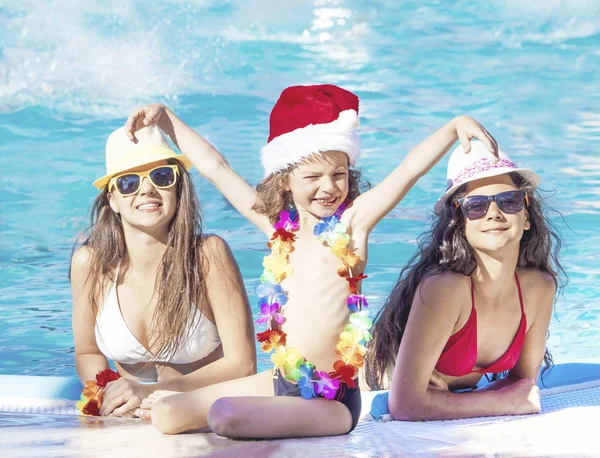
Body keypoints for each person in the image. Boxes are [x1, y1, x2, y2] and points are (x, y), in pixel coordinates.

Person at [127, 84, 498, 437]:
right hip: (283, 380)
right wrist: (165, 118)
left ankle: (257, 417)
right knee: (167, 414)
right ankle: (247, 414)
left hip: (332, 400)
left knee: (225, 415)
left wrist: (452, 128)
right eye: (312, 177)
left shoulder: (353, 224)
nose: (329, 187)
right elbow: (217, 168)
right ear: (285, 180)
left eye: (338, 174)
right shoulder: (277, 228)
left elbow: (406, 171)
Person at [365, 141, 564, 421]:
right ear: (459, 222)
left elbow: (522, 387)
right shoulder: (446, 289)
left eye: (509, 201)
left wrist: (449, 399)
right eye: (477, 206)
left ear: (527, 215)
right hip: (358, 384)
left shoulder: (538, 289)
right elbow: (405, 406)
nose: (494, 214)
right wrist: (497, 401)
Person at [70, 125, 256, 417]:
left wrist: (148, 392)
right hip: (129, 419)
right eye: (129, 182)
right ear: (113, 200)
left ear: (178, 188)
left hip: (201, 415)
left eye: (161, 177)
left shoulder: (208, 255)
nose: (147, 189)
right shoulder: (90, 263)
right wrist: (106, 395)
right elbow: (87, 351)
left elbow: (243, 364)